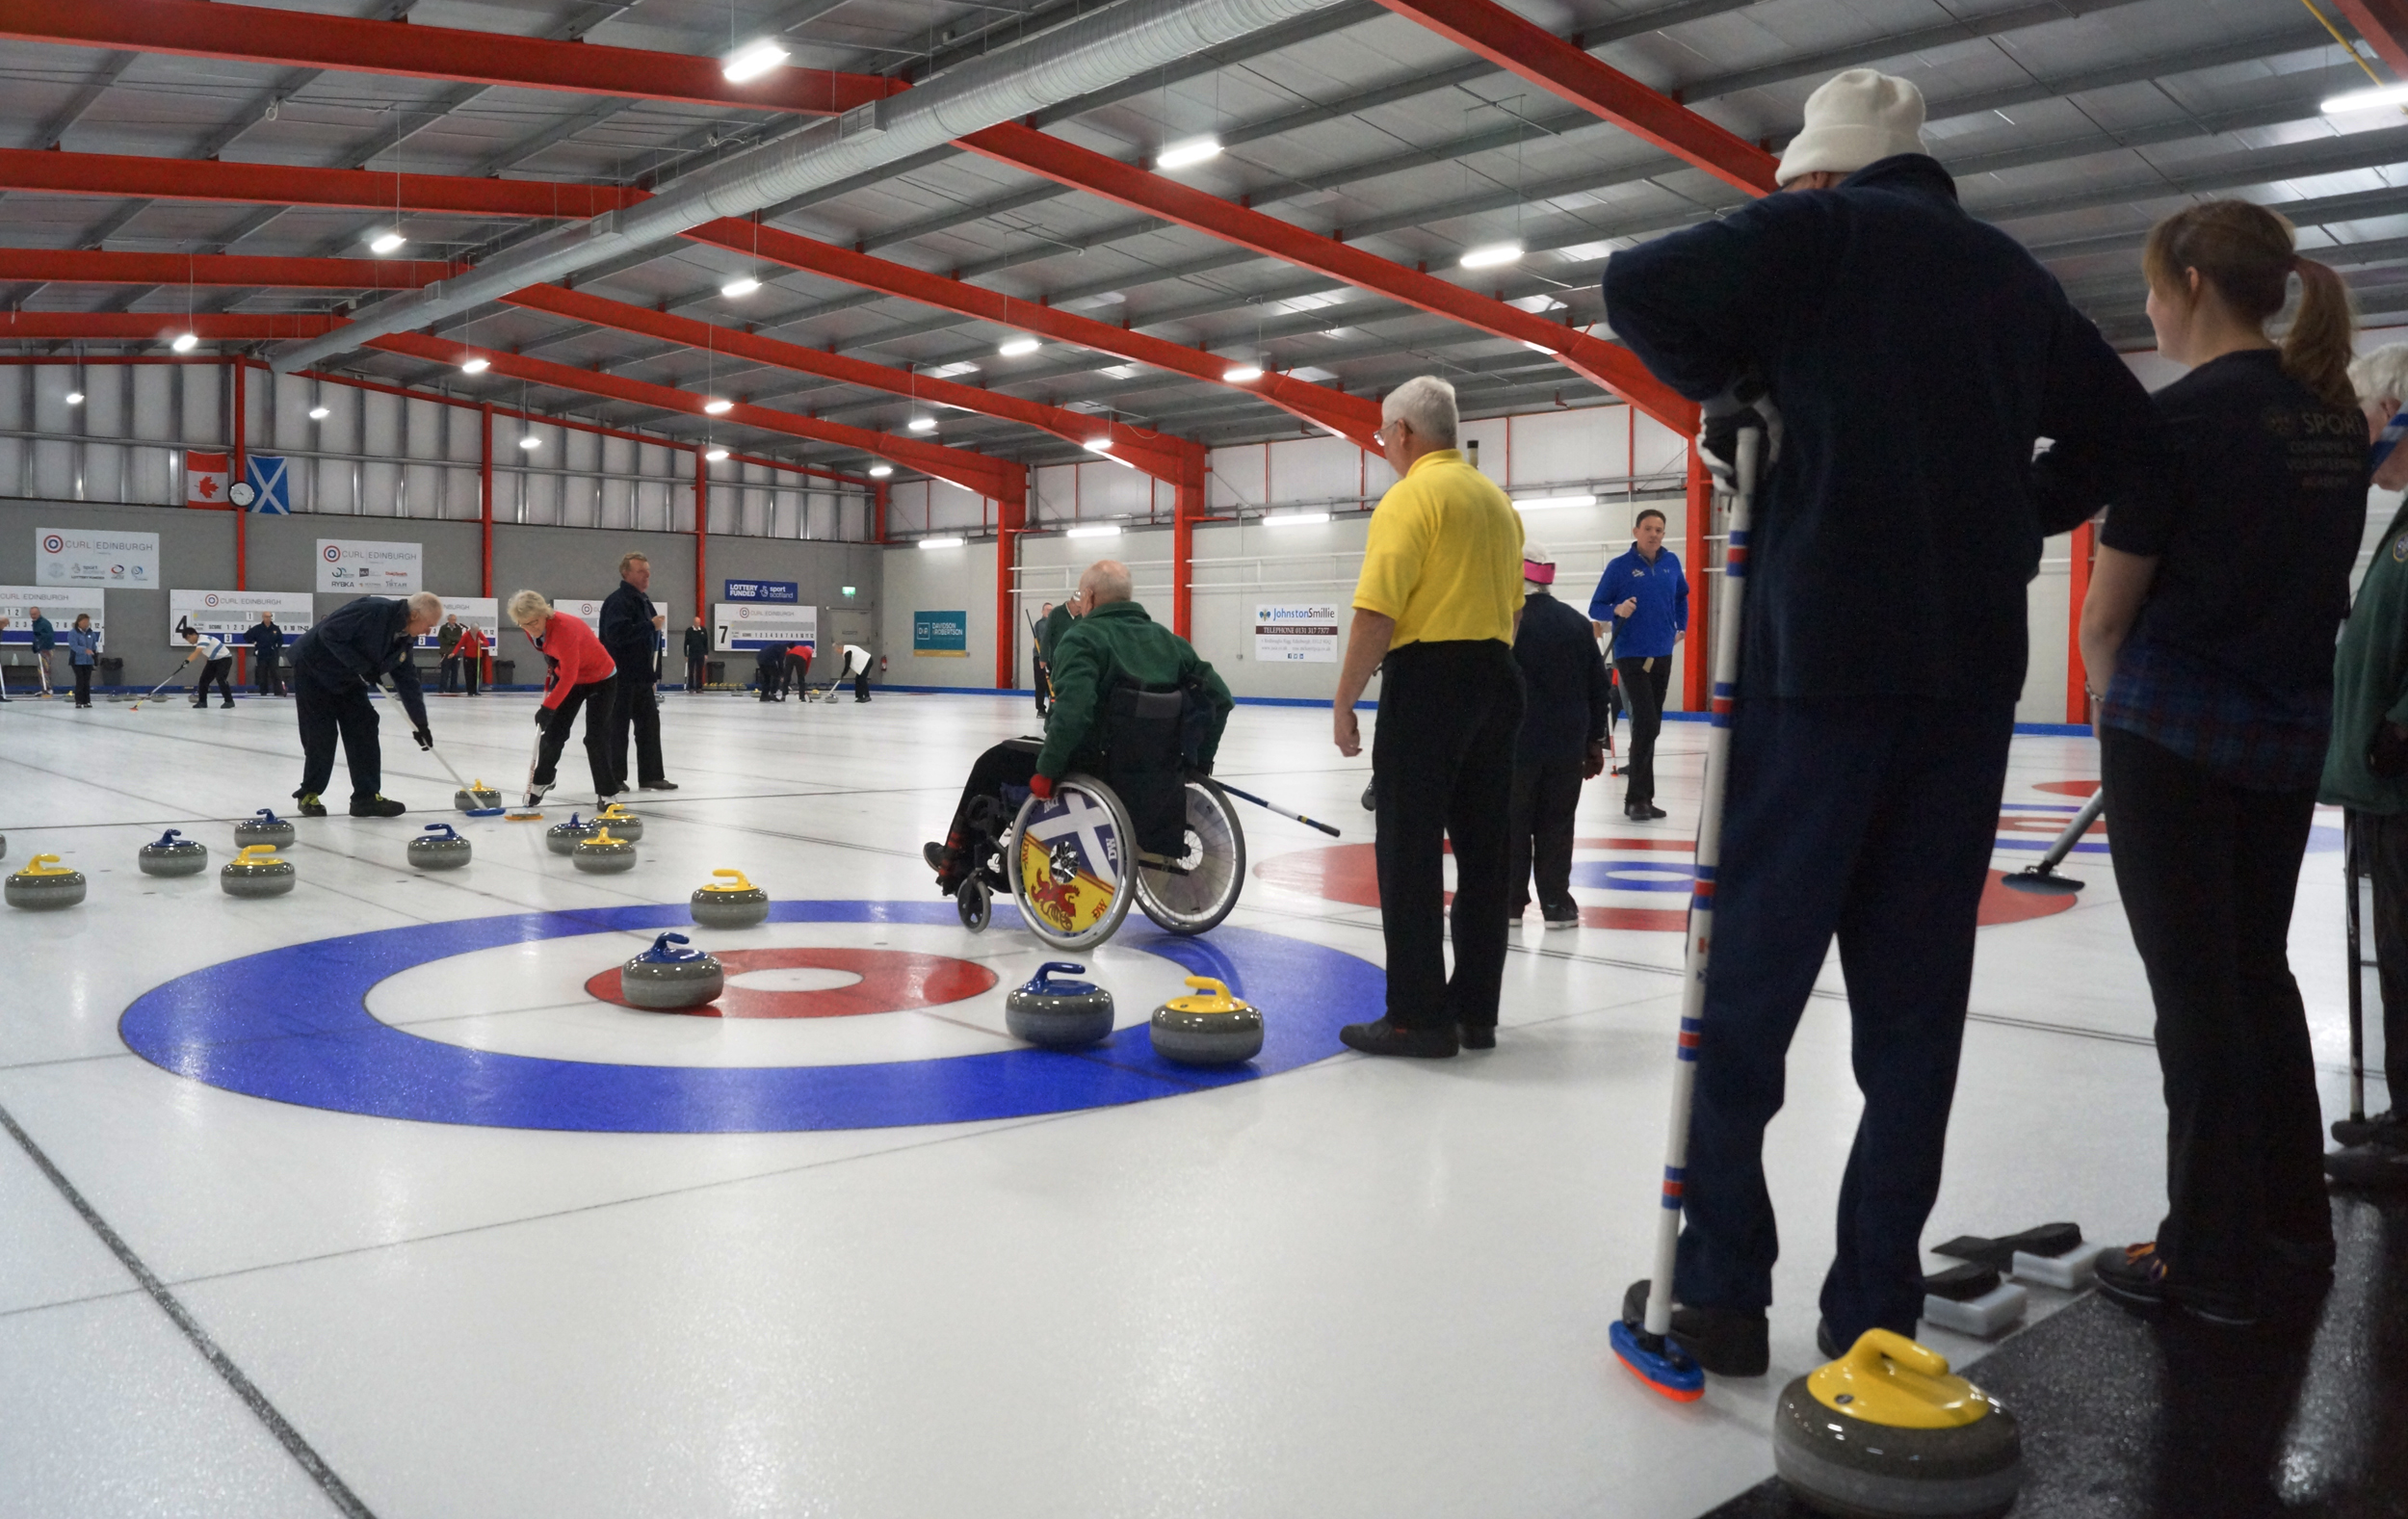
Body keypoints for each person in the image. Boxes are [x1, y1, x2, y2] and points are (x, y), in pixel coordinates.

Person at [1601, 66, 2164, 1371]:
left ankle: (1725, 1291)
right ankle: (1875, 1314)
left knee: (1746, 995)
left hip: (1815, 677)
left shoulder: (1821, 234)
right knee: (1912, 1020)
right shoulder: (2012, 278)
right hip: (1968, 687)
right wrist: (2008, 507)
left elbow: (1639, 285)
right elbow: (2128, 441)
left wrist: (1730, 383)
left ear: (1817, 171)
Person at [2080, 201, 2370, 1324]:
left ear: (2193, 281)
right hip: (2285, 737)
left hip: (2174, 737)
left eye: (2153, 286)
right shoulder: (2331, 421)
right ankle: (2294, 1229)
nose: (2149, 307)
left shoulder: (2178, 420)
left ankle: (2205, 1256)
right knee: (2259, 978)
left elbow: (2105, 620)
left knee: (2192, 1000)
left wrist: (2118, 720)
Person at [1330, 375, 1525, 1058]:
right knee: (1485, 855)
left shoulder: (1411, 497)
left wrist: (1347, 698)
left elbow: (1377, 610)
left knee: (1409, 851)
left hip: (1429, 682)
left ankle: (1417, 1015)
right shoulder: (1495, 501)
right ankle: (1477, 1011)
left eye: (1385, 433)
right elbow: (1515, 609)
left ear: (1405, 432)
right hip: (1497, 679)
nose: (1384, 444)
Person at [925, 560, 1231, 889]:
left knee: (994, 762)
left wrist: (1049, 769)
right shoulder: (1171, 643)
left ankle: (955, 864)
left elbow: (1073, 713)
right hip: (1157, 774)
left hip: (1094, 768)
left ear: (1090, 596)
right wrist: (1198, 764)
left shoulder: (1083, 638)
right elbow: (1220, 697)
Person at [2320, 342, 2408, 1192]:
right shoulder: (2402, 518)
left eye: (2371, 415)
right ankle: (2400, 1110)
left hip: (2402, 778)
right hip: (2383, 787)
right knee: (2396, 949)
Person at [1511, 545, 1613, 929]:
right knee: (1557, 824)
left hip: (1515, 747)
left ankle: (1508, 904)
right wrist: (1594, 742)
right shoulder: (1576, 623)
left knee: (1512, 823)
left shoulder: (1504, 622)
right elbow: (1598, 689)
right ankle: (1556, 904)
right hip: (1566, 746)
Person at [289, 592, 442, 818]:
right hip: (314, 669)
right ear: (414, 615)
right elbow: (328, 633)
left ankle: (366, 797)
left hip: (349, 677)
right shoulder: (374, 610)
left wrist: (420, 724)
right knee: (321, 732)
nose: (429, 631)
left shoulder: (404, 638)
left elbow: (407, 681)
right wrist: (362, 666)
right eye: (429, 625)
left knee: (365, 725)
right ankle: (309, 793)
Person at [1592, 508, 1688, 821]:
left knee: (1652, 726)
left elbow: (1681, 597)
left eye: (1659, 529)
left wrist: (1681, 625)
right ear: (1636, 532)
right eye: (1648, 528)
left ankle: (1644, 798)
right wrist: (1617, 609)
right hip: (1631, 655)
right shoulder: (1620, 567)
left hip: (1662, 653)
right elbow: (1598, 605)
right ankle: (1635, 800)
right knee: (1646, 722)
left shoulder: (1671, 563)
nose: (1654, 534)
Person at [509, 589, 617, 807]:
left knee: (596, 738)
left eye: (533, 623)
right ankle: (543, 779)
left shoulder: (565, 629)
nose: (529, 629)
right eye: (524, 625)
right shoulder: (531, 626)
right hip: (570, 675)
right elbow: (553, 655)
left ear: (544, 614)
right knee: (553, 733)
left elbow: (570, 675)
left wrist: (548, 707)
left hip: (600, 677)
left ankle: (607, 793)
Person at [598, 552, 674, 792]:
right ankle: (615, 777)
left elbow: (651, 642)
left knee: (649, 727)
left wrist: (653, 675)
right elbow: (616, 634)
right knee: (618, 728)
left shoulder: (643, 600)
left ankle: (651, 775)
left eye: (648, 571)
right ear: (626, 573)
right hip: (620, 677)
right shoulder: (618, 601)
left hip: (642, 676)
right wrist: (649, 625)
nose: (647, 575)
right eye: (641, 571)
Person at [179, 623, 235, 709]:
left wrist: (186, 662)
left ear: (193, 635)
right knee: (203, 680)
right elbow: (208, 653)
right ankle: (202, 702)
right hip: (213, 661)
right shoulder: (200, 642)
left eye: (188, 638)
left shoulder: (203, 639)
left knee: (221, 679)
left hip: (224, 659)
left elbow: (196, 653)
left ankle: (229, 701)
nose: (189, 642)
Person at [247, 611, 287, 697]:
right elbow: (246, 636)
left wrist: (277, 646)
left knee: (275, 673)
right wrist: (254, 643)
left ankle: (278, 691)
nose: (268, 618)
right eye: (266, 616)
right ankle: (263, 691)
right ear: (263, 617)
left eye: (269, 616)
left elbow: (281, 640)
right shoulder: (257, 628)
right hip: (262, 654)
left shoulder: (275, 628)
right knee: (262, 673)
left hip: (273, 654)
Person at [63, 613, 98, 708]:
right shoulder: (73, 633)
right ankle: (79, 701)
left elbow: (93, 645)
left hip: (88, 661)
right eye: (84, 622)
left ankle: (87, 701)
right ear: (78, 622)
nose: (86, 624)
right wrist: (84, 650)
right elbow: (73, 646)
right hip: (77, 661)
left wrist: (95, 656)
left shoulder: (91, 633)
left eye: (87, 622)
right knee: (80, 680)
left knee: (87, 681)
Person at [28, 606, 54, 697]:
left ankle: (48, 689)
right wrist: (35, 646)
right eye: (31, 614)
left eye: (35, 614)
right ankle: (44, 688)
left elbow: (47, 636)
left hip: (46, 648)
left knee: (45, 669)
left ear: (39, 613)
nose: (33, 616)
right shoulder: (36, 623)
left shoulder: (44, 623)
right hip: (40, 648)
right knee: (41, 669)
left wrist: (40, 645)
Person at [455, 620, 485, 696]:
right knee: (469, 674)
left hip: (478, 657)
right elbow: (459, 645)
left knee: (477, 674)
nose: (476, 632)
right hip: (468, 657)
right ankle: (470, 691)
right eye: (474, 630)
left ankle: (476, 690)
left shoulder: (479, 634)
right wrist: (454, 653)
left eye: (477, 630)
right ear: (471, 629)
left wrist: (482, 642)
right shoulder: (466, 635)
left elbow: (487, 643)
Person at [436, 613, 464, 694]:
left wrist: (451, 639)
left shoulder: (458, 628)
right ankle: (442, 688)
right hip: (446, 651)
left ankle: (453, 688)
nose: (454, 621)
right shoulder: (443, 628)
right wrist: (449, 641)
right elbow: (440, 638)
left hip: (456, 652)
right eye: (452, 620)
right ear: (448, 620)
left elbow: (459, 638)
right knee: (445, 671)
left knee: (455, 671)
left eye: (455, 620)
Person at [683, 615, 710, 694]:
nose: (697, 624)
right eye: (696, 622)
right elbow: (686, 643)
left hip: (700, 653)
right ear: (693, 622)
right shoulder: (689, 631)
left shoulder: (703, 630)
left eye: (698, 622)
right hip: (692, 653)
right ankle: (691, 687)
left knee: (699, 670)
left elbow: (706, 643)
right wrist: (686, 654)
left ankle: (699, 687)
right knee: (691, 670)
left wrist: (706, 653)